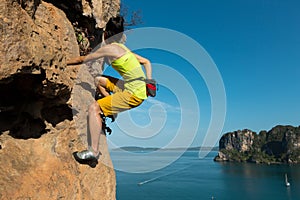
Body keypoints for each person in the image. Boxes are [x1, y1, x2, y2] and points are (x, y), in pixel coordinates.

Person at [67, 16, 153, 164]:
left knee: (94, 108)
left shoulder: (109, 49)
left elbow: (83, 59)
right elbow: (147, 61)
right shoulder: (124, 49)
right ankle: (112, 110)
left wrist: (63, 61)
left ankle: (93, 152)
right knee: (98, 80)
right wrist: (149, 81)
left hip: (133, 95)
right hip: (130, 88)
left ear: (106, 33)